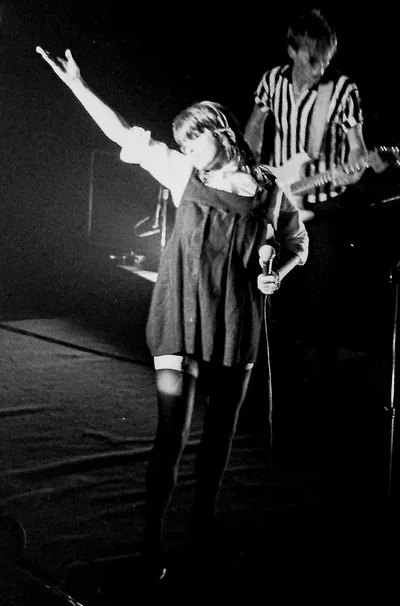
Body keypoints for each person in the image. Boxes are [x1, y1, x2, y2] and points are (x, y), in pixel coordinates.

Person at [36, 45, 308, 585]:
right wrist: (78, 86)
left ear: (220, 130)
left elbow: (296, 241)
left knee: (219, 443)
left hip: (236, 321)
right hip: (180, 315)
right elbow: (122, 134)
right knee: (172, 436)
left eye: (193, 136)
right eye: (181, 140)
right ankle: (152, 538)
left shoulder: (270, 190)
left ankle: (201, 529)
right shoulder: (182, 174)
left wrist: (279, 271)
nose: (185, 146)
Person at [244, 9, 369, 459]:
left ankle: (323, 416)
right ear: (293, 50)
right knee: (277, 306)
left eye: (325, 60)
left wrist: (355, 169)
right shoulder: (272, 82)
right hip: (281, 204)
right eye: (312, 58)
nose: (320, 69)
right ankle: (279, 408)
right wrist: (254, 178)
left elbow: (357, 156)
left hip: (326, 208)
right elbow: (253, 135)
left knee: (324, 310)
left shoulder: (343, 90)